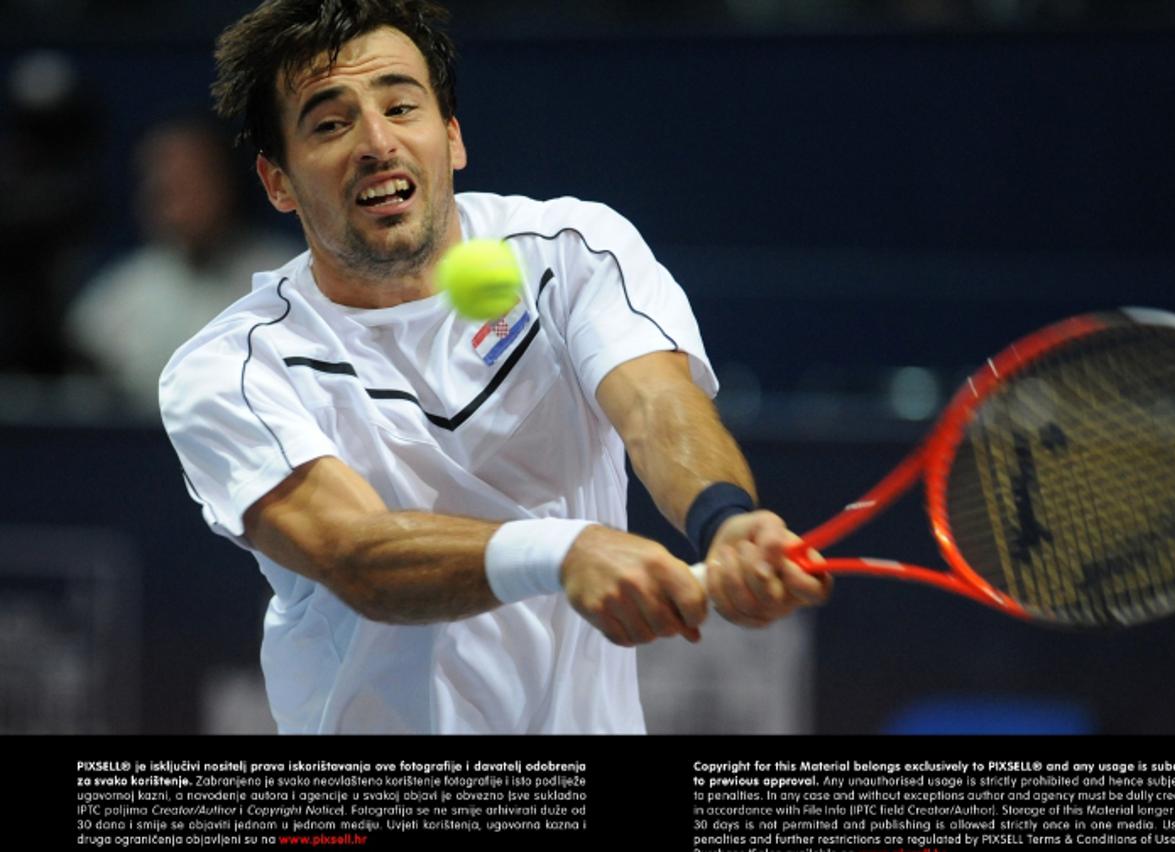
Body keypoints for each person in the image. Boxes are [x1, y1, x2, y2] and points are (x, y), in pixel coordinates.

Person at [159, 0, 829, 734]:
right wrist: (565, 551)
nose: (377, 142)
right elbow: (356, 554)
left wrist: (723, 519)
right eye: (330, 123)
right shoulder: (231, 370)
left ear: (451, 139)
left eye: (401, 106)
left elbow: (656, 407)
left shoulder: (570, 252)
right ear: (277, 181)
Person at [67, 117, 298, 416]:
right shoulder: (117, 295)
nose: (175, 194)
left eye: (193, 178)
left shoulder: (289, 279)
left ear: (229, 181)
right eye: (163, 180)